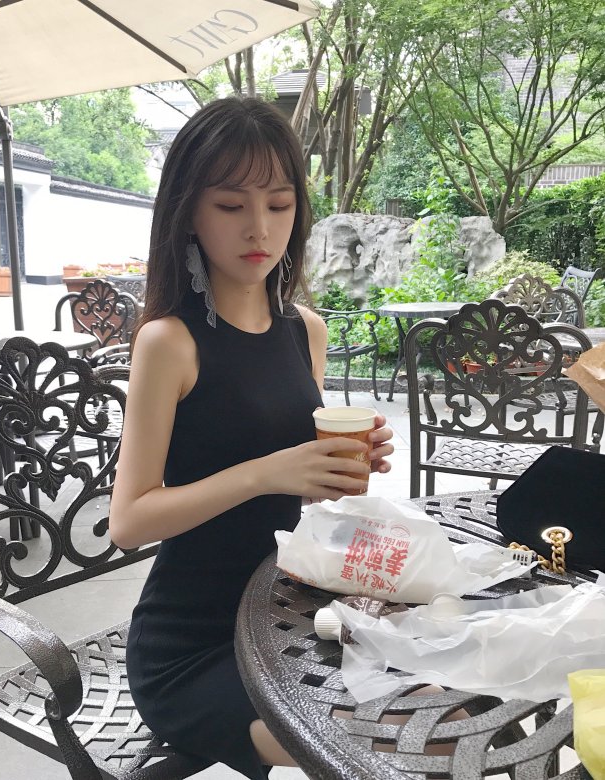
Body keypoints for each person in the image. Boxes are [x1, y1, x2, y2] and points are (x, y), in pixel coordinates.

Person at [110, 97, 394, 779]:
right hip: (192, 647)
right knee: (381, 748)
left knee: (439, 716)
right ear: (189, 212)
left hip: (291, 615)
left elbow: (300, 498)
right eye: (231, 205)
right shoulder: (169, 342)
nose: (259, 227)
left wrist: (336, 468)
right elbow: (129, 521)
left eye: (280, 203)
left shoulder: (304, 330)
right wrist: (269, 471)